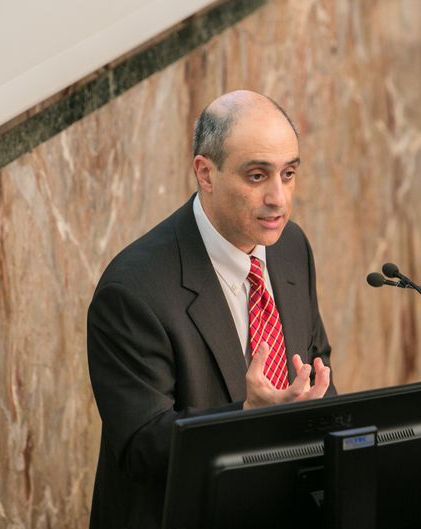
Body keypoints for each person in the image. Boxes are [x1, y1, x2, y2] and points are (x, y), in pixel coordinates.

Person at [86, 90, 335, 529]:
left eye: (289, 174)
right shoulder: (133, 291)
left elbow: (317, 367)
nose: (279, 198)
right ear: (206, 173)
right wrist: (247, 418)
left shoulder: (291, 247)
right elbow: (142, 446)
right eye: (257, 176)